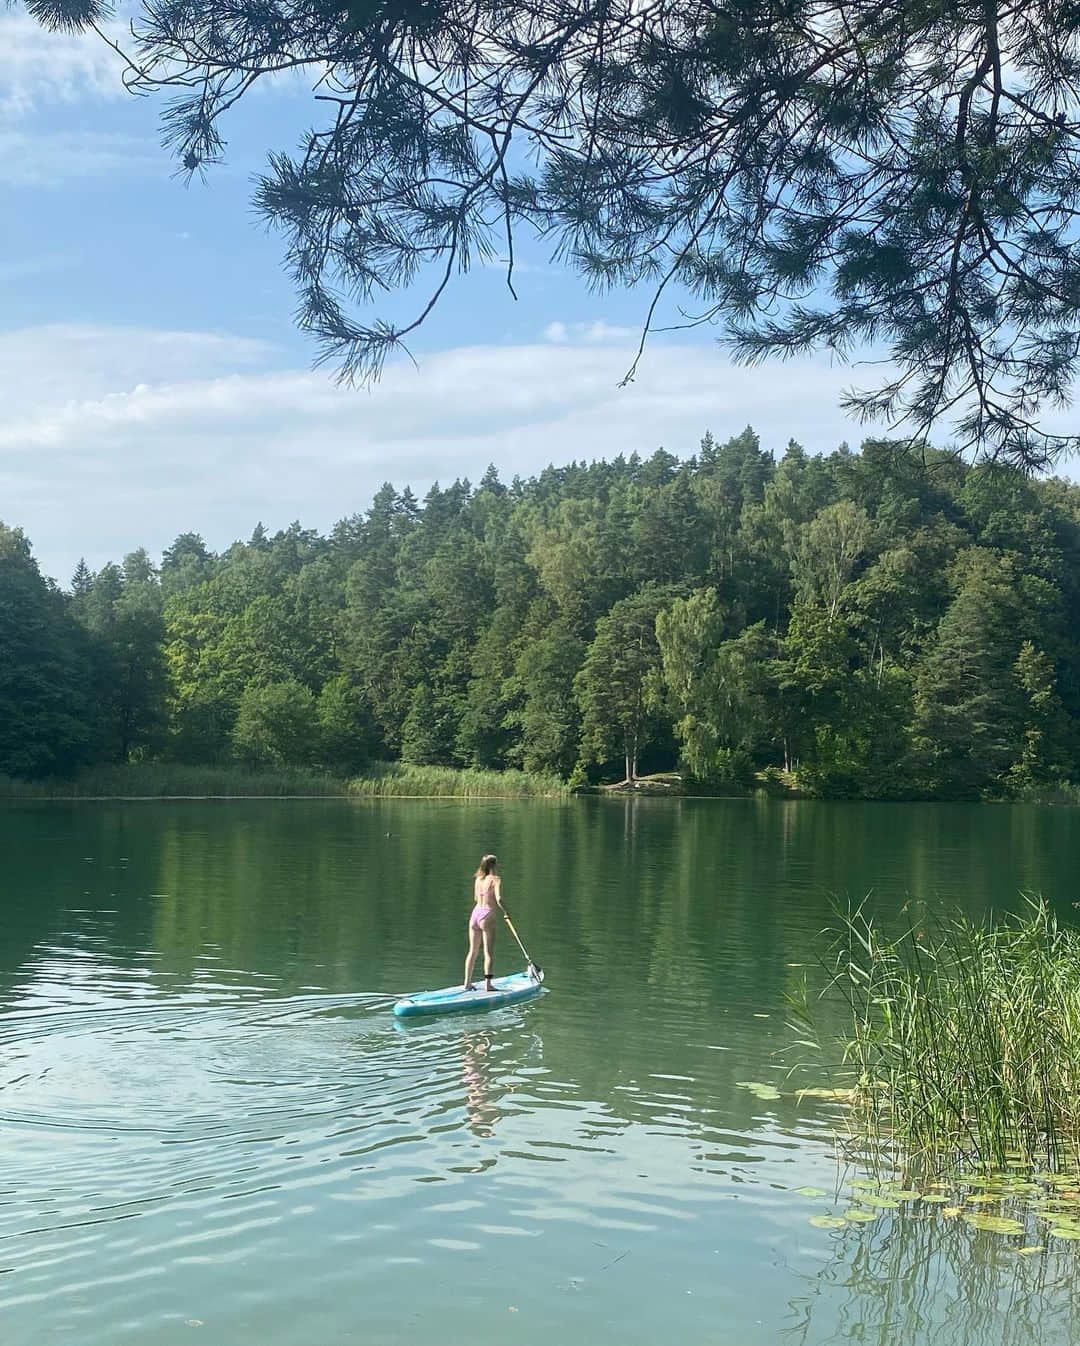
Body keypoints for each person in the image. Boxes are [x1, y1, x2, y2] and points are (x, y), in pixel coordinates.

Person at [464, 853, 504, 992]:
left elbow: (476, 898)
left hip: (475, 914)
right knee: (488, 952)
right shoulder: (496, 879)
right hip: (487, 915)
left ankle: (467, 983)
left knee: (473, 951)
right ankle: (488, 985)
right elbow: (499, 899)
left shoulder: (478, 880)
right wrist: (506, 912)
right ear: (494, 865)